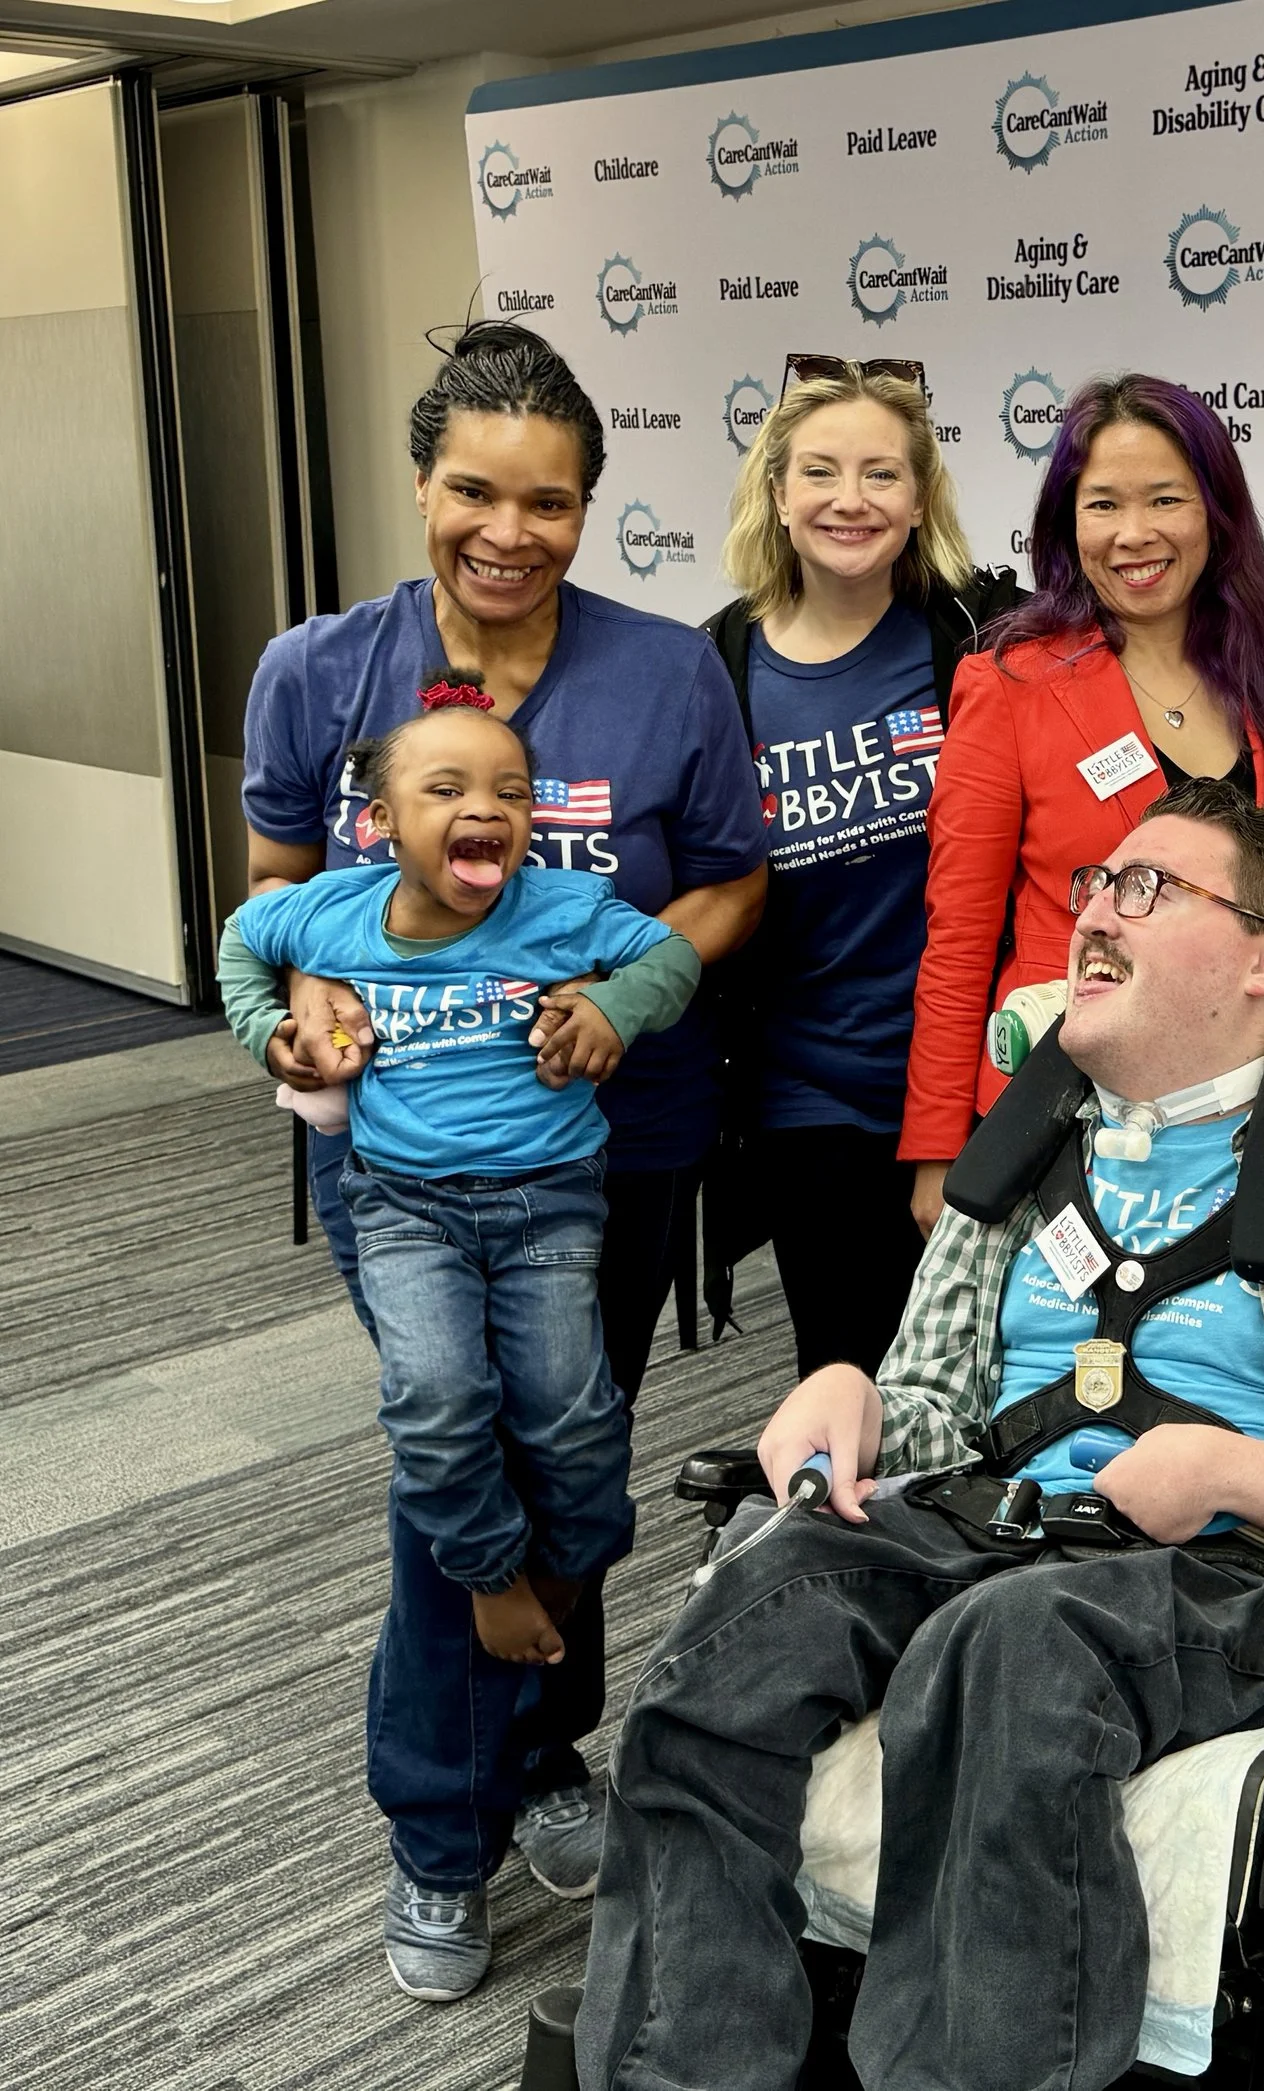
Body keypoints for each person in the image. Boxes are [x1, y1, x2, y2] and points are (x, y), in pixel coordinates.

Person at [571, 781, 1264, 2091]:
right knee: (753, 1593)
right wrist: (851, 1394)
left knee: (1009, 1641)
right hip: (998, 1522)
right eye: (1097, 884)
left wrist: (1237, 1470)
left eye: (1150, 887)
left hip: (1243, 1582)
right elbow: (935, 1403)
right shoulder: (1028, 1150)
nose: (1099, 910)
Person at [239, 319, 765, 1894]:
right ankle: (439, 1819)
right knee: (448, 1434)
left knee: (571, 1430)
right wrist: (298, 1019)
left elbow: (733, 881)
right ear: (421, 485)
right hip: (393, 1155)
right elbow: (274, 894)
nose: (508, 533)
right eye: (476, 491)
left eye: (549, 503)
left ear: (588, 509)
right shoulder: (318, 668)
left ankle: (544, 1748)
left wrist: (622, 995)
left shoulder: (666, 670)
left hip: (607, 1145)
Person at [219, 686, 701, 2002]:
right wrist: (272, 1025)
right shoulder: (328, 905)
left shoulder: (555, 906)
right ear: (377, 821)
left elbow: (670, 952)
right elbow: (239, 936)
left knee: (572, 1420)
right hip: (403, 1203)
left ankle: (548, 1668)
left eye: (508, 790)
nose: (483, 809)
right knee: (441, 1404)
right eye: (445, 790)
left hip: (550, 1201)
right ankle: (483, 1649)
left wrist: (618, 1010)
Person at [899, 374, 1264, 1235]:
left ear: (1215, 512)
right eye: (1103, 504)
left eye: (1166, 499)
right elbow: (959, 937)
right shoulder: (1010, 684)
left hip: (1240, 1110)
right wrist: (941, 1148)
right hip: (1063, 1109)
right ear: (1065, 523)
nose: (1134, 534)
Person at [702, 359, 1024, 1378]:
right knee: (847, 1372)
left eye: (881, 474)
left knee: (992, 1373)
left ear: (920, 499)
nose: (851, 500)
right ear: (778, 494)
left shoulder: (975, 641)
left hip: (981, 1077)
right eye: (822, 473)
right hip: (810, 1093)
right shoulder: (717, 667)